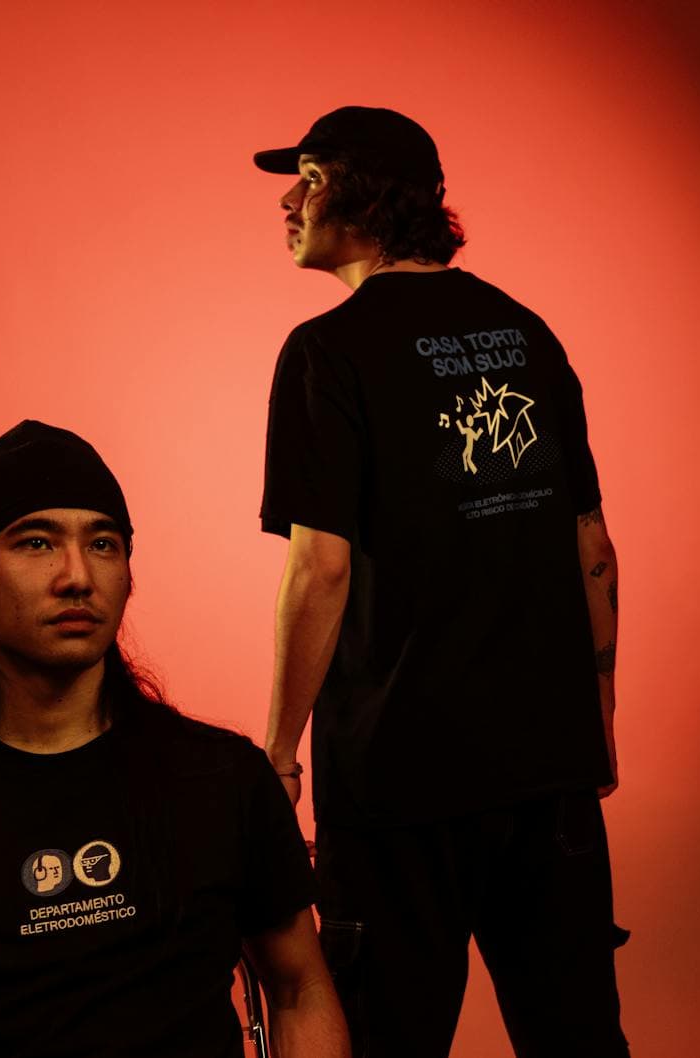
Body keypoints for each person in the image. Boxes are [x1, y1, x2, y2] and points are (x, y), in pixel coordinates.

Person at [0, 420, 349, 1058]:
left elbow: (301, 990)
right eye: (36, 543)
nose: (77, 575)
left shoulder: (225, 780)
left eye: (103, 544)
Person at [253, 107, 628, 1057]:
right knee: (578, 1036)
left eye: (310, 177)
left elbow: (320, 565)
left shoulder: (327, 352)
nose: (289, 201)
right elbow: (590, 544)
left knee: (386, 1040)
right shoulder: (527, 334)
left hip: (399, 781)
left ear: (369, 198)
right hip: (548, 770)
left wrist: (279, 754)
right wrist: (597, 721)